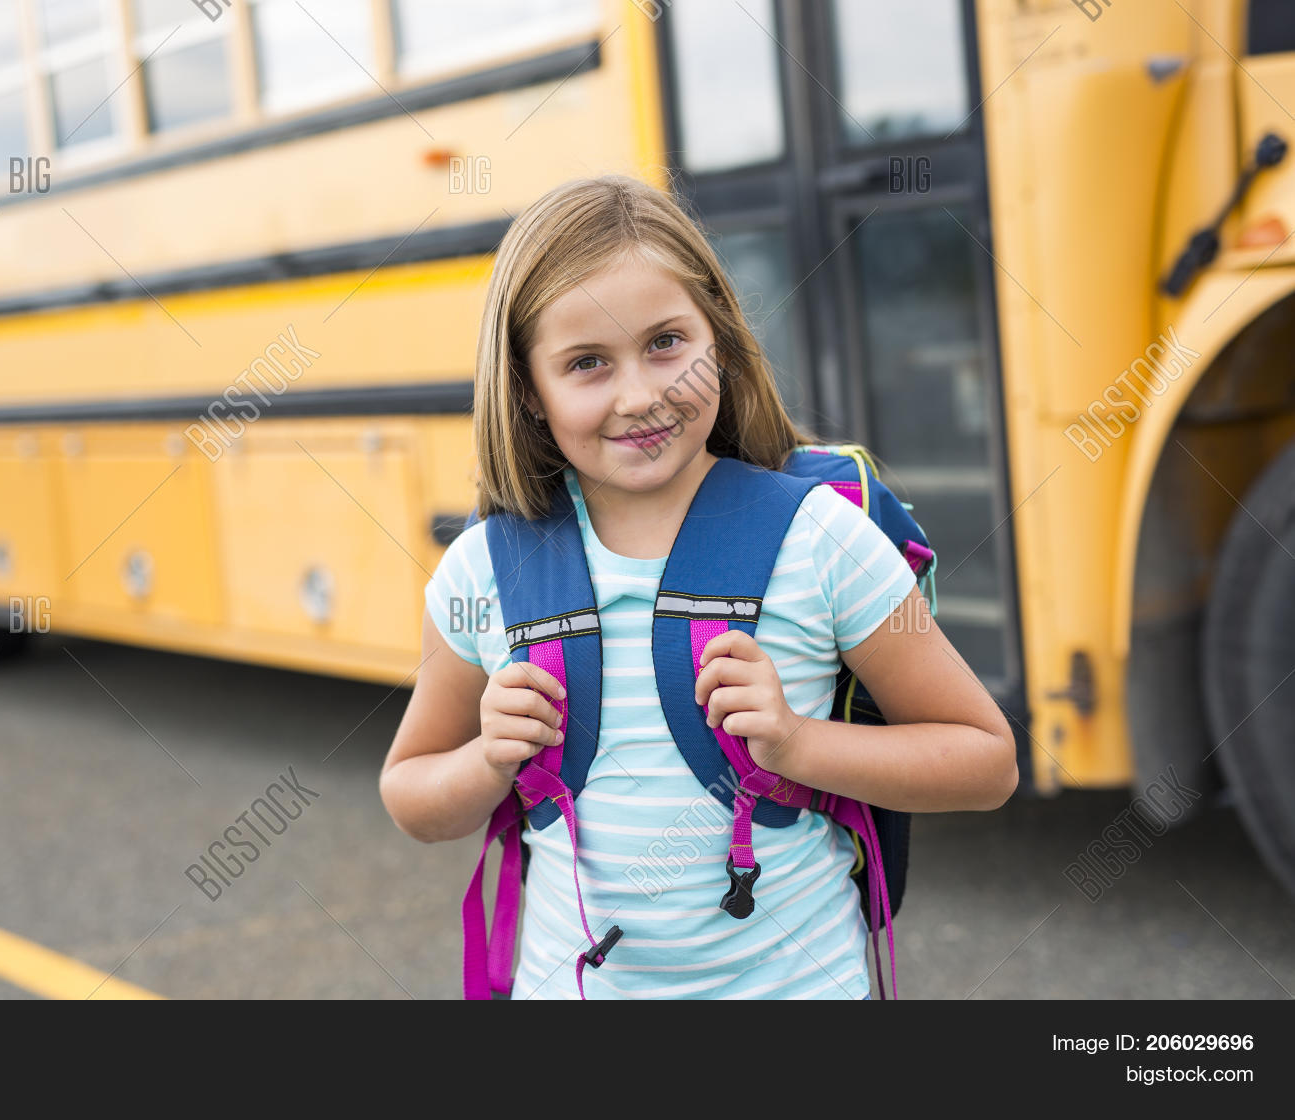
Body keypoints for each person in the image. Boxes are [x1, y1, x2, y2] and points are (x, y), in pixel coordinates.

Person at [379, 173, 1016, 999]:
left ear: (719, 337)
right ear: (528, 390)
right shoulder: (482, 570)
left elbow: (986, 762)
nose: (641, 395)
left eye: (667, 343)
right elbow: (412, 796)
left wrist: (797, 744)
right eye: (587, 363)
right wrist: (485, 760)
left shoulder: (822, 539)